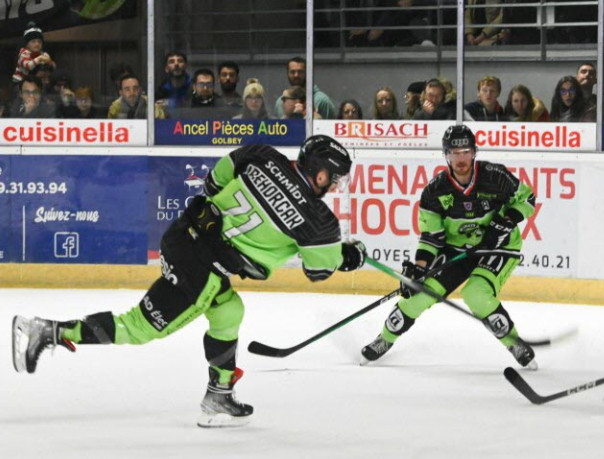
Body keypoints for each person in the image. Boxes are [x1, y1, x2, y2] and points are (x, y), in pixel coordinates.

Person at [11, 135, 367, 428]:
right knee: (139, 328)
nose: (335, 187)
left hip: (181, 236)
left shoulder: (262, 154)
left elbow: (214, 181)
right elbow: (318, 272)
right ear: (320, 174)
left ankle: (219, 393)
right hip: (202, 270)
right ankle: (47, 330)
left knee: (229, 310)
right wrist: (350, 256)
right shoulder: (320, 222)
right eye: (335, 179)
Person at [360, 125, 538, 370]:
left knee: (476, 295)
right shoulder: (435, 191)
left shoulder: (495, 176)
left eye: (465, 151)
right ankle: (385, 338)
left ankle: (514, 342)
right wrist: (418, 270)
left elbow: (527, 199)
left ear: (474, 152)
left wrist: (505, 222)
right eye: (454, 153)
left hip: (497, 248)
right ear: (445, 155)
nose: (460, 158)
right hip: (456, 250)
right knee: (418, 294)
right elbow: (431, 236)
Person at [12, 21, 55, 87]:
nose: (37, 44)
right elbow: (28, 66)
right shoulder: (24, 53)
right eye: (33, 41)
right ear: (27, 44)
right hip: (20, 82)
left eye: (39, 41)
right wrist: (40, 58)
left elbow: (52, 67)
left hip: (34, 83)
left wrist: (49, 62)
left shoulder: (42, 54)